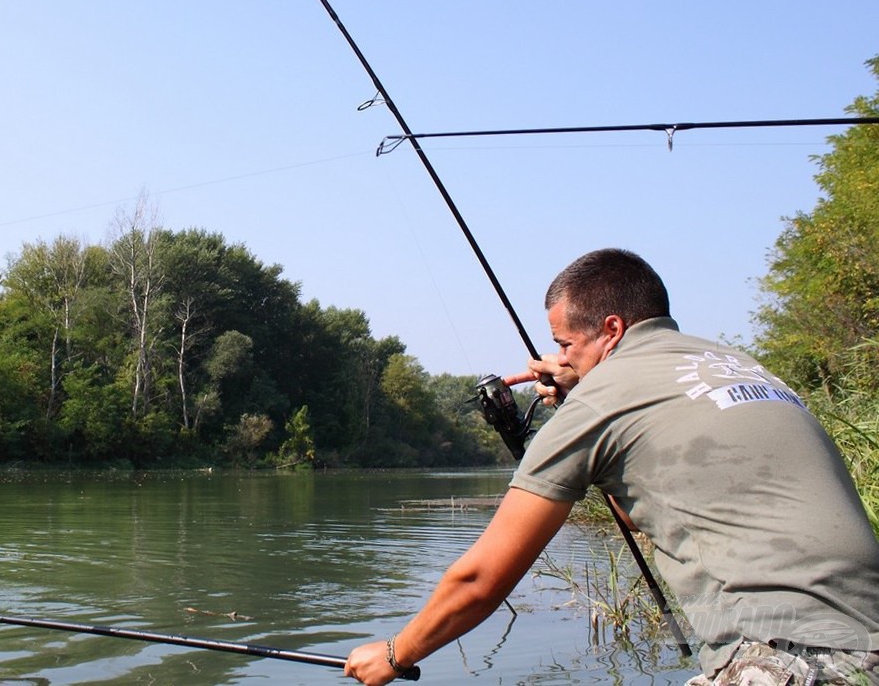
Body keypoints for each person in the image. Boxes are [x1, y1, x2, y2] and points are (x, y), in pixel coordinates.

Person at [344, 248, 879, 685]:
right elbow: (641, 514)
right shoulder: (739, 366)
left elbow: (481, 578)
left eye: (565, 344)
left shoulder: (598, 404)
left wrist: (396, 653)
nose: (561, 359)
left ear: (612, 328)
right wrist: (589, 385)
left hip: (794, 656)